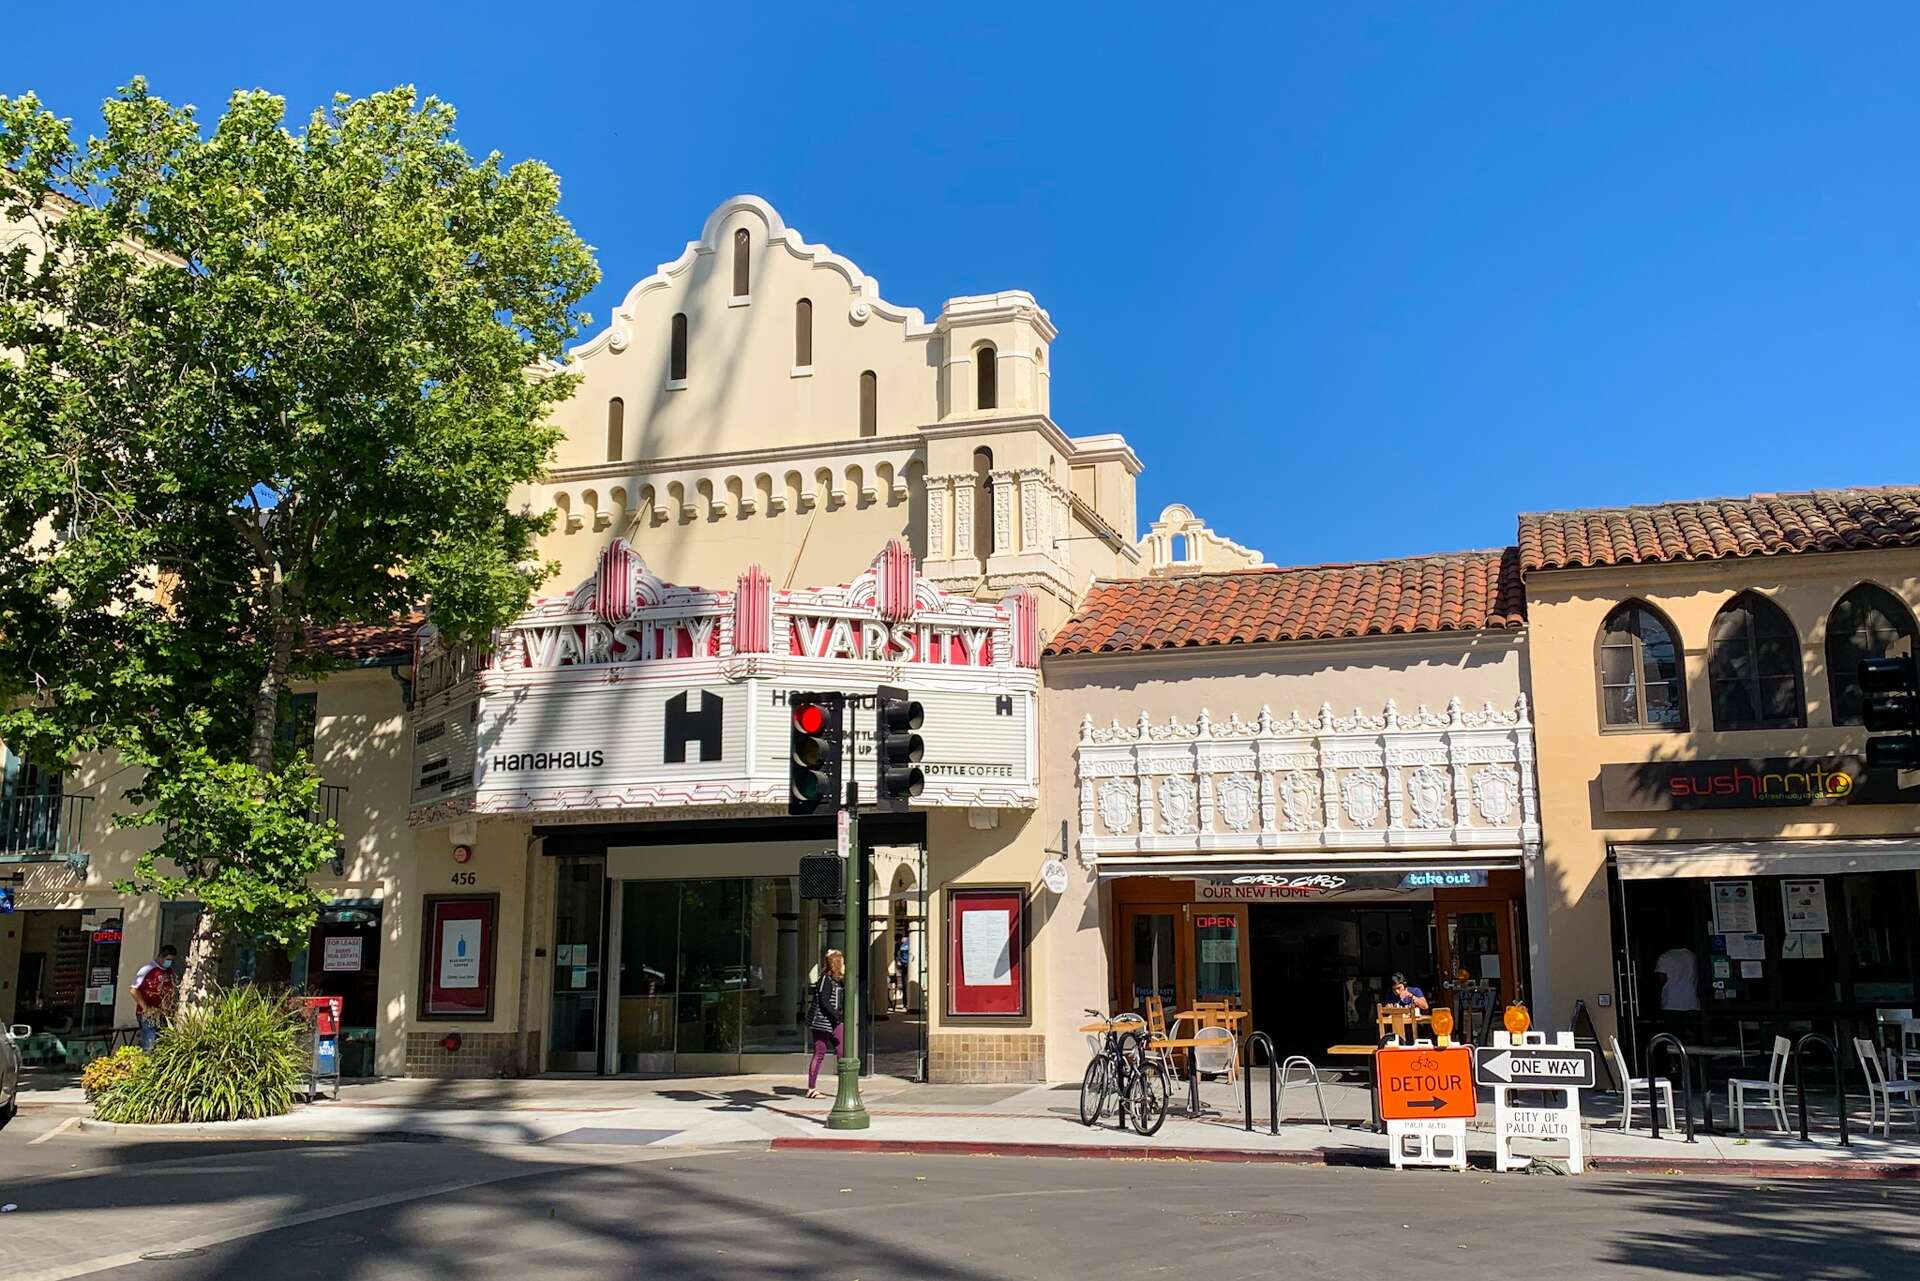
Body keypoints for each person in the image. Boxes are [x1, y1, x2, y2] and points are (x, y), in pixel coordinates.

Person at [805, 949, 846, 1100]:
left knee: (842, 1051)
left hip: (835, 1021)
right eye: (842, 961)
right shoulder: (825, 980)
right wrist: (837, 1015)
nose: (844, 964)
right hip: (822, 1021)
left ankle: (847, 1083)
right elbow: (824, 1001)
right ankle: (811, 1088)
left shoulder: (838, 979)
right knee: (819, 1052)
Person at [129, 944, 178, 1051]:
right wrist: (146, 1008)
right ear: (161, 956)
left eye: (172, 960)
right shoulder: (147, 970)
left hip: (163, 1013)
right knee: (150, 1043)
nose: (169, 963)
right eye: (168, 959)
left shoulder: (169, 972)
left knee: (161, 1044)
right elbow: (133, 990)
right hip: (148, 1014)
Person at [1654, 941, 1701, 1013]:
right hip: (1692, 1001)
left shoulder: (1664, 957)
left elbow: (1662, 979)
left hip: (1670, 1002)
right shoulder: (1692, 956)